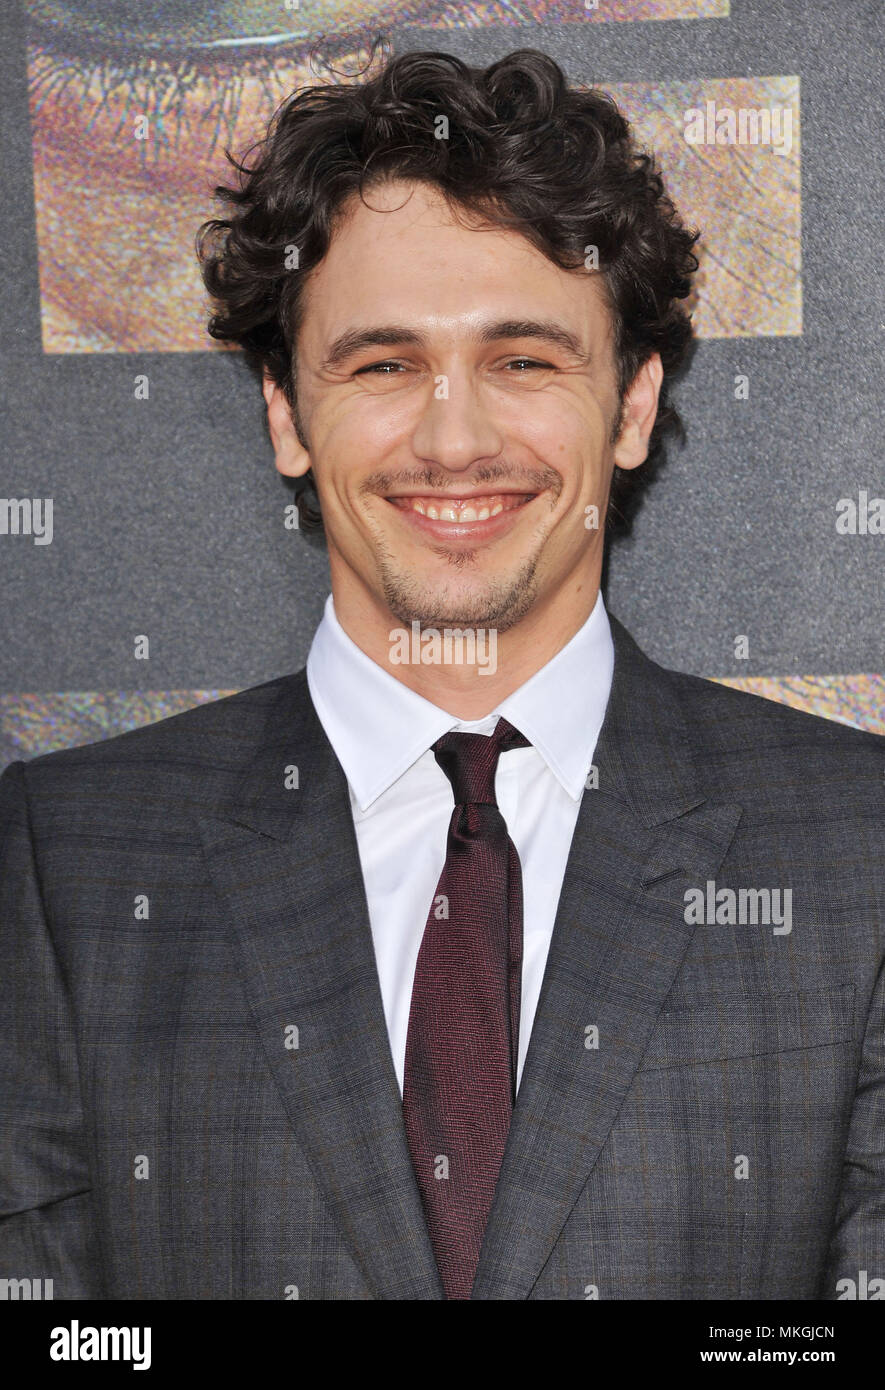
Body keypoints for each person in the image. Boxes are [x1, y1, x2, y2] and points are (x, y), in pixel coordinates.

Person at [1, 46, 881, 1302]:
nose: (454, 438)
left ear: (630, 406)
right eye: (383, 364)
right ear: (286, 415)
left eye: (524, 360)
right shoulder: (62, 866)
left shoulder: (859, 857)